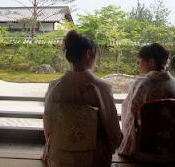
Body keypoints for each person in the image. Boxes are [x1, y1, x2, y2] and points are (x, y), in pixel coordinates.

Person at [43, 30, 122, 167]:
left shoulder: (54, 86)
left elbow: (48, 125)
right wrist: (114, 144)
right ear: (88, 54)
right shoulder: (101, 87)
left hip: (59, 158)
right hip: (94, 159)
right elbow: (113, 130)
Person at [118, 43, 175, 158]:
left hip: (144, 152)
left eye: (140, 61)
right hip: (172, 151)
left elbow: (129, 116)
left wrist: (128, 146)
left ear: (151, 62)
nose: (138, 65)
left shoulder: (141, 85)